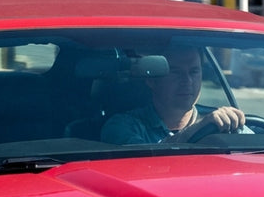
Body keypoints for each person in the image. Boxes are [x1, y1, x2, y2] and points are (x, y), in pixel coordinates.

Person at [101, 46, 249, 144]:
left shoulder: (220, 122)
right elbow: (145, 163)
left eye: (194, 72)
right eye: (176, 72)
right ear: (152, 81)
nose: (187, 81)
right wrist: (198, 130)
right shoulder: (123, 125)